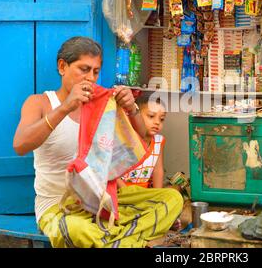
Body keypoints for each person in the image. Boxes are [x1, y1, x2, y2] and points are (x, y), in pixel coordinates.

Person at [13, 36, 183, 248]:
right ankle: (127, 240)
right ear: (62, 66)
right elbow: (20, 145)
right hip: (59, 206)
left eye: (95, 71)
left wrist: (131, 108)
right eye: (83, 69)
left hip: (105, 201)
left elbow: (143, 138)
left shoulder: (102, 104)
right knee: (77, 230)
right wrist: (65, 107)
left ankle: (113, 239)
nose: (91, 78)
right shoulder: (40, 103)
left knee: (172, 199)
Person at [117, 96, 167, 189]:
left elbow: (158, 170)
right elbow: (111, 171)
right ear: (137, 116)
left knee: (174, 193)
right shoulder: (125, 138)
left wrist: (157, 194)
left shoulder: (158, 142)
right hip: (122, 191)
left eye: (162, 119)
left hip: (143, 191)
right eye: (151, 116)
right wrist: (127, 192)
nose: (157, 122)